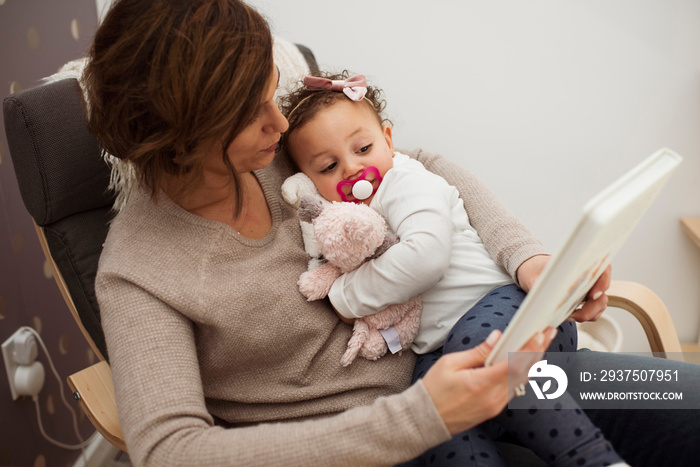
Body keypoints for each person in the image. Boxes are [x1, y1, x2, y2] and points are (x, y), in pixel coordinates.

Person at [83, 1, 699, 466]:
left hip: (486, 355)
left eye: (271, 93)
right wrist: (420, 416)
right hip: (389, 441)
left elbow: (423, 166)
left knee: (689, 398)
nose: (278, 119)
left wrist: (532, 262)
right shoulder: (140, 273)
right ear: (184, 139)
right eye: (252, 112)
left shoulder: (279, 153)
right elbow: (171, 449)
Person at [279, 72, 627, 467]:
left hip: (512, 311)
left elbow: (425, 256)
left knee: (484, 355)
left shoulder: (405, 181)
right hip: (443, 350)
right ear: (305, 181)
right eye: (328, 166)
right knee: (429, 420)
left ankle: (595, 459)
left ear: (389, 142)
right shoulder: (345, 225)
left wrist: (345, 297)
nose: (353, 168)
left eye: (363, 147)